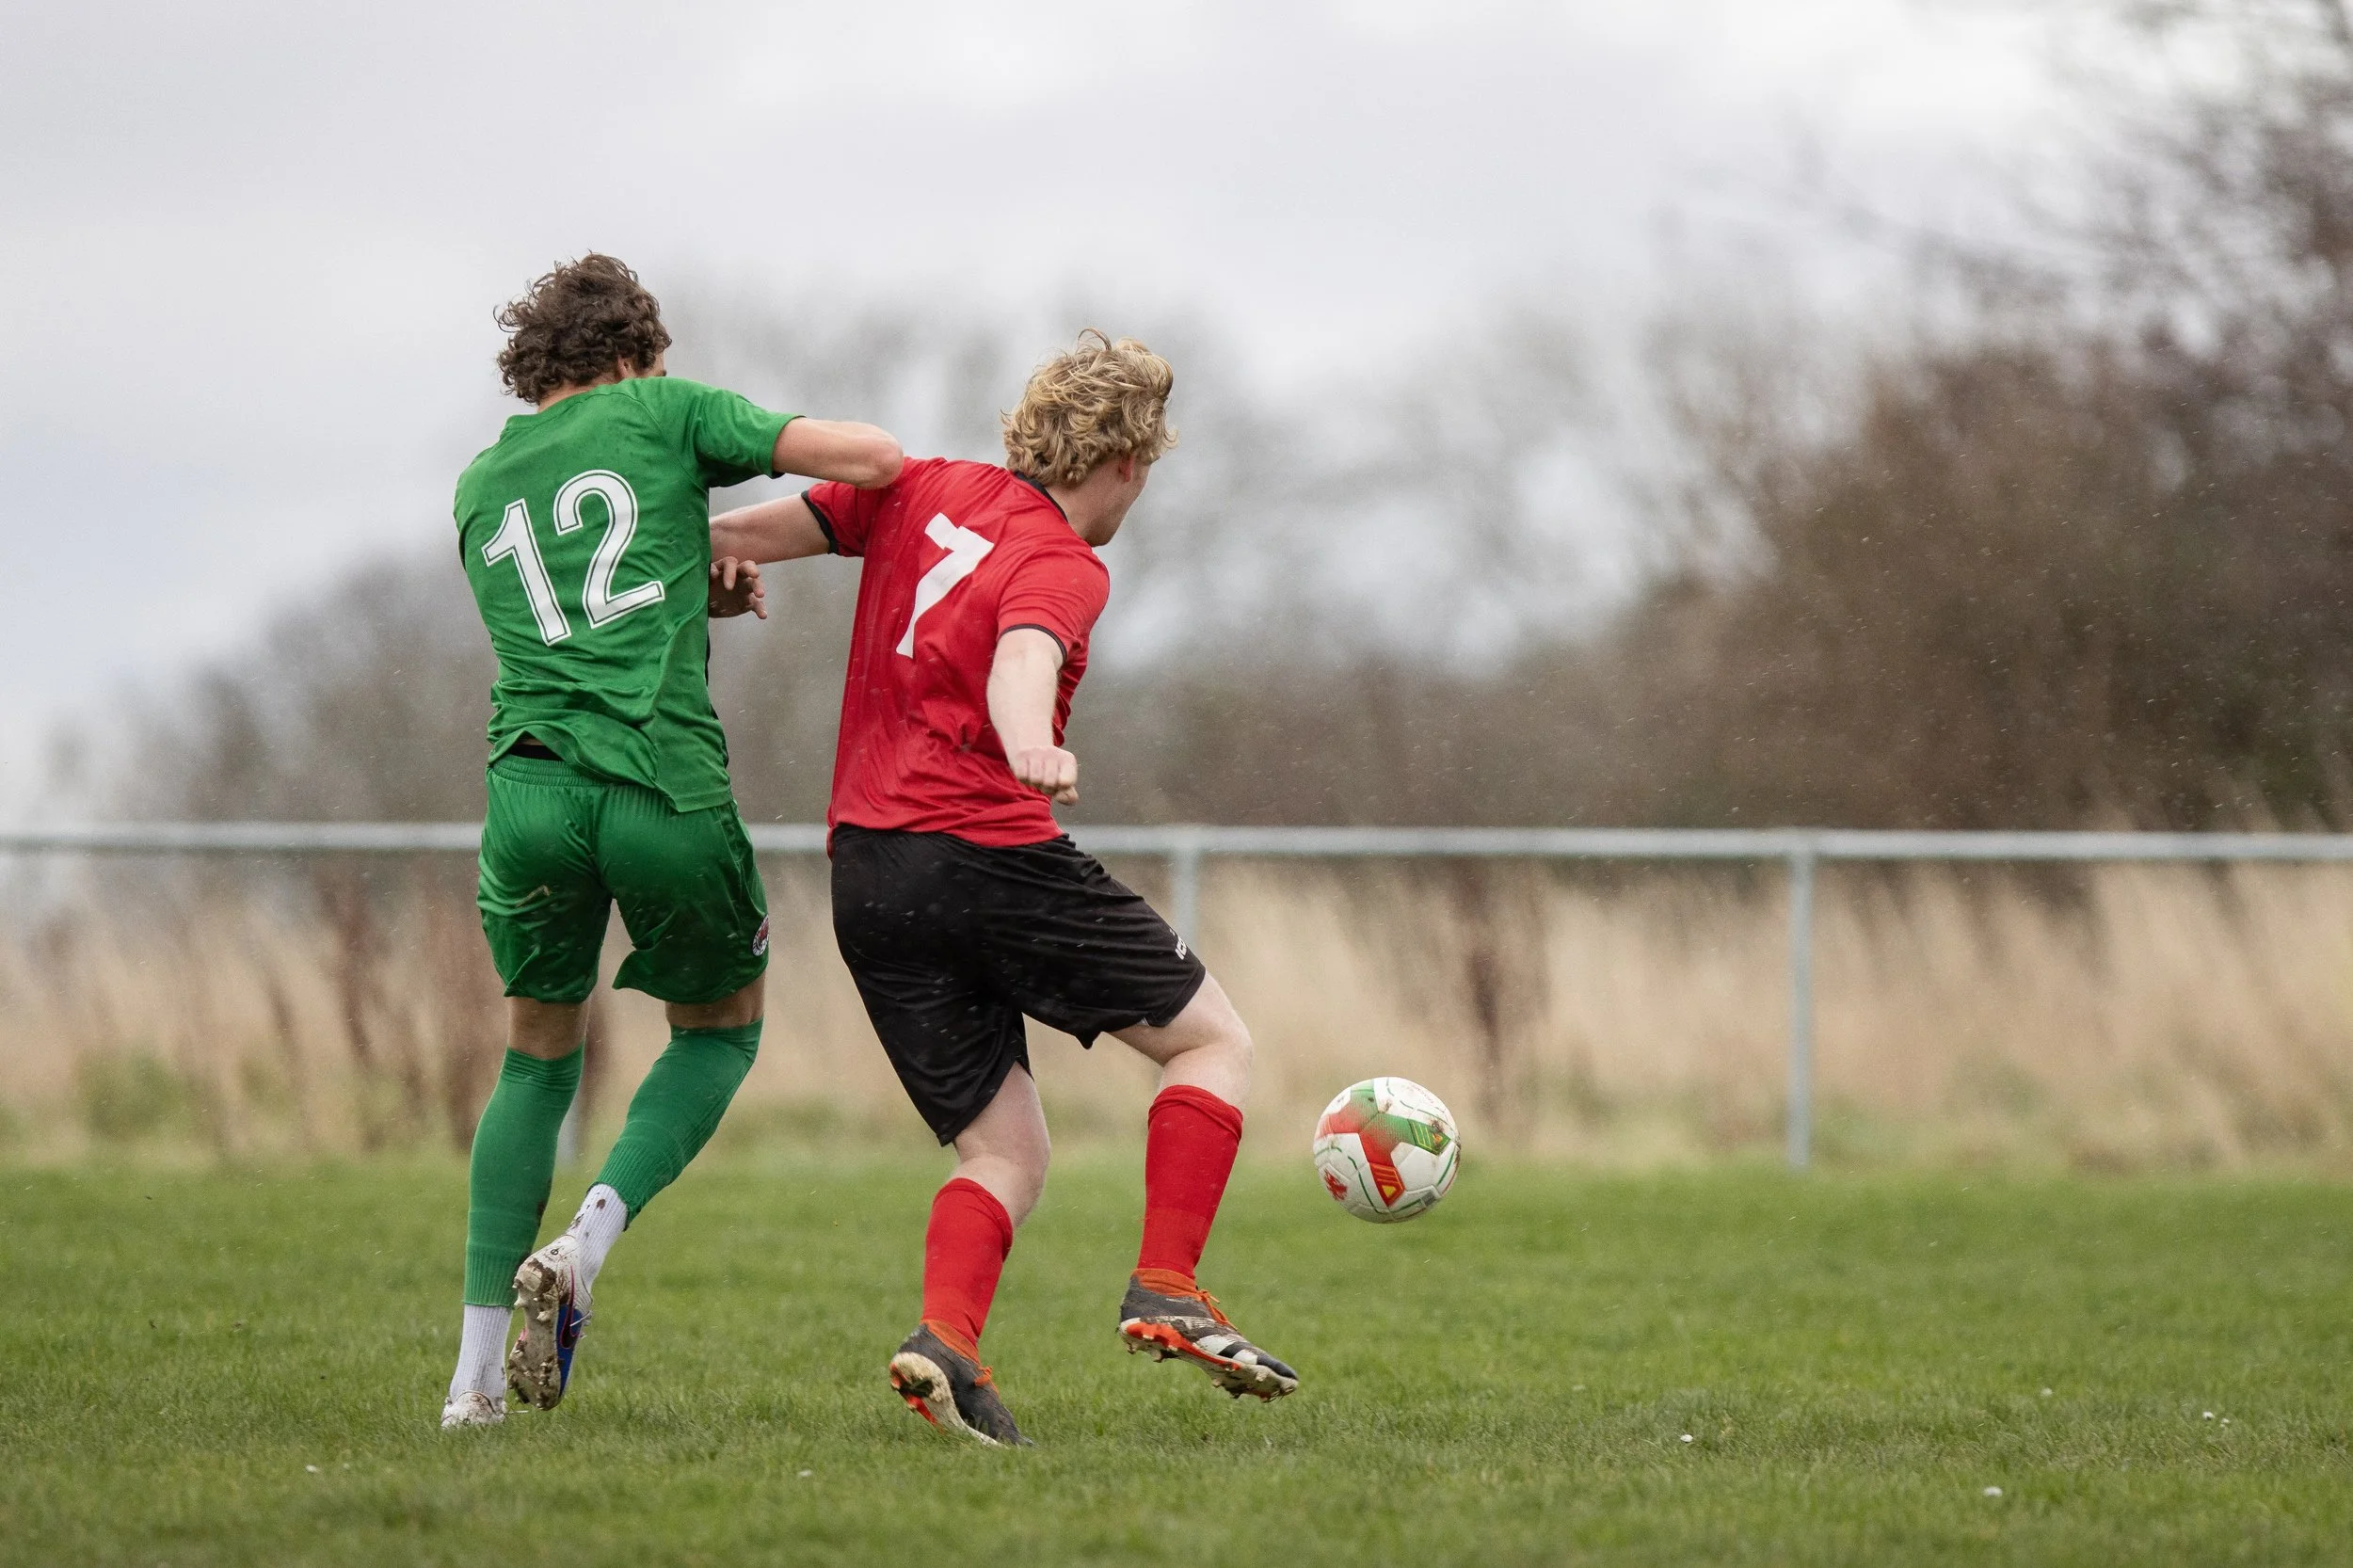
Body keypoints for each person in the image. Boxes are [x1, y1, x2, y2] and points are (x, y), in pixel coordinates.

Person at [709, 329, 1296, 1448]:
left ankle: (945, 1345)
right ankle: (1166, 1282)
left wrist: (704, 566)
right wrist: (1032, 743)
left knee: (1004, 1152)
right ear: (1123, 462)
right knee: (1213, 1043)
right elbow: (1023, 653)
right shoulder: (1067, 561)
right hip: (984, 850)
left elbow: (736, 536)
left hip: (869, 877)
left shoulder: (915, 488)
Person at [440, 254, 901, 1430]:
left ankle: (472, 1385)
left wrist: (695, 579)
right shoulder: (666, 408)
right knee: (720, 1032)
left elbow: (582, 599)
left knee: (536, 1060)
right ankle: (588, 1243)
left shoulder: (482, 481)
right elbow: (872, 461)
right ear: (636, 354)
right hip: (657, 783)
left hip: (528, 790)